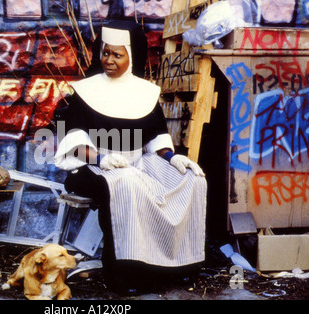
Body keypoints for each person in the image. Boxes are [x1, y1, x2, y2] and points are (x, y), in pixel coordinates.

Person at [54, 21, 207, 293]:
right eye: (105, 53)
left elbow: (155, 138)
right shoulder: (85, 91)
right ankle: (125, 274)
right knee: (126, 182)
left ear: (131, 56)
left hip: (136, 161)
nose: (108, 60)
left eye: (117, 54)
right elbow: (73, 140)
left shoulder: (146, 93)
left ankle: (179, 266)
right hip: (92, 167)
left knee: (192, 180)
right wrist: (101, 159)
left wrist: (173, 158)